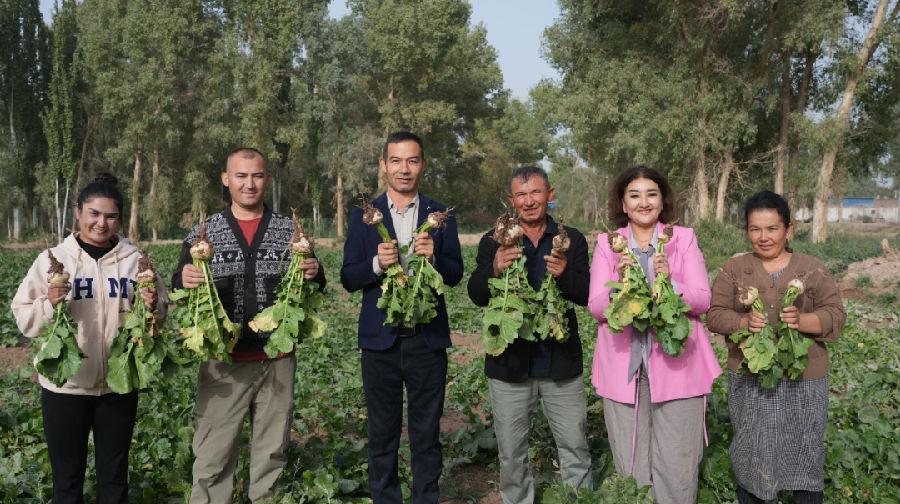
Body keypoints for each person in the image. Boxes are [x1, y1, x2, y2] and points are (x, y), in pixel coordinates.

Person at [171, 147, 325, 503]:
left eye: (257, 175)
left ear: (267, 180)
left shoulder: (290, 229)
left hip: (277, 358)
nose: (249, 183)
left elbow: (315, 284)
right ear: (226, 180)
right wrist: (187, 277)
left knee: (271, 455)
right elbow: (179, 283)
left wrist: (314, 273)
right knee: (212, 457)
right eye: (240, 176)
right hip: (224, 362)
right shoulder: (203, 232)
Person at [12, 174, 166, 503]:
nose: (101, 223)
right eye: (94, 213)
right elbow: (24, 318)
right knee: (67, 482)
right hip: (65, 386)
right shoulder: (53, 259)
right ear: (79, 212)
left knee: (114, 479)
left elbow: (158, 320)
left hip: (119, 385)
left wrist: (152, 308)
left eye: (110, 216)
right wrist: (49, 304)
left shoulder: (135, 261)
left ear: (119, 219)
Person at [340, 131, 463, 504]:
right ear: (383, 165)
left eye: (412, 160)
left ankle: (425, 498)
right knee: (382, 435)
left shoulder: (439, 215)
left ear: (423, 165)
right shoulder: (364, 217)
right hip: (380, 343)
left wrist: (435, 259)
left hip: (427, 341)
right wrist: (378, 263)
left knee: (426, 435)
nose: (404, 169)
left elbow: (455, 273)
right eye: (396, 160)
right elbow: (348, 277)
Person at [588, 165, 721, 503]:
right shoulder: (608, 244)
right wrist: (620, 285)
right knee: (631, 465)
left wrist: (671, 284)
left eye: (651, 194)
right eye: (634, 195)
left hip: (678, 366)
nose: (643, 202)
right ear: (623, 202)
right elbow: (597, 307)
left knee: (677, 461)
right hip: (624, 368)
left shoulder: (682, 239)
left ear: (663, 202)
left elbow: (703, 300)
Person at [707, 190, 846, 504]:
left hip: (804, 378)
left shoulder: (811, 268)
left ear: (789, 230)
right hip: (751, 375)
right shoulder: (734, 267)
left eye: (772, 229)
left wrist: (803, 320)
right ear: (747, 231)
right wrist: (742, 323)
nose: (763, 237)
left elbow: (836, 314)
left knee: (805, 450)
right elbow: (715, 315)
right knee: (752, 449)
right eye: (755, 229)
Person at [467, 166, 592, 503]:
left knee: (575, 448)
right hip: (510, 364)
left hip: (561, 364)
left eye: (536, 192)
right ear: (511, 200)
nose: (529, 201)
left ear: (549, 195)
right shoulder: (493, 240)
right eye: (521, 195)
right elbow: (476, 293)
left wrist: (564, 275)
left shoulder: (571, 239)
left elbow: (587, 295)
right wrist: (493, 269)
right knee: (511, 454)